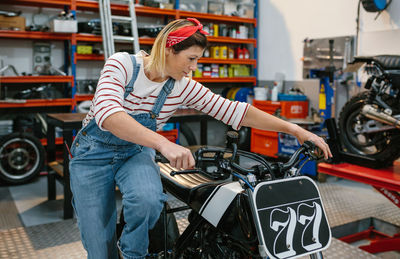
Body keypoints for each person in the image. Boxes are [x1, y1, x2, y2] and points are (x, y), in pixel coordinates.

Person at [69, 18, 332, 259]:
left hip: (135, 151)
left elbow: (235, 111)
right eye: (191, 58)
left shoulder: (182, 85)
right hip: (92, 155)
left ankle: (132, 254)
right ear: (168, 50)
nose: (194, 67)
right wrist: (163, 143)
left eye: (198, 60)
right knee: (99, 243)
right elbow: (109, 114)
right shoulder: (122, 65)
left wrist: (297, 130)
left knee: (148, 201)